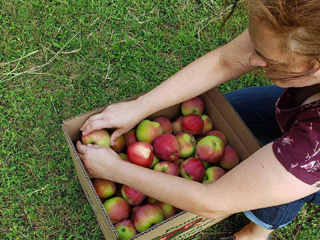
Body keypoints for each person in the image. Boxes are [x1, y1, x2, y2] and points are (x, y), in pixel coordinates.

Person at [76, 1, 320, 239]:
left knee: (276, 181)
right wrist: (141, 106)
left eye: (269, 59)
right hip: (302, 108)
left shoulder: (313, 146)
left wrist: (116, 170)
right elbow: (226, 60)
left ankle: (255, 233)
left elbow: (213, 201)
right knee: (231, 114)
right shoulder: (302, 22)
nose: (253, 61)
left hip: (312, 154)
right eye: (257, 47)